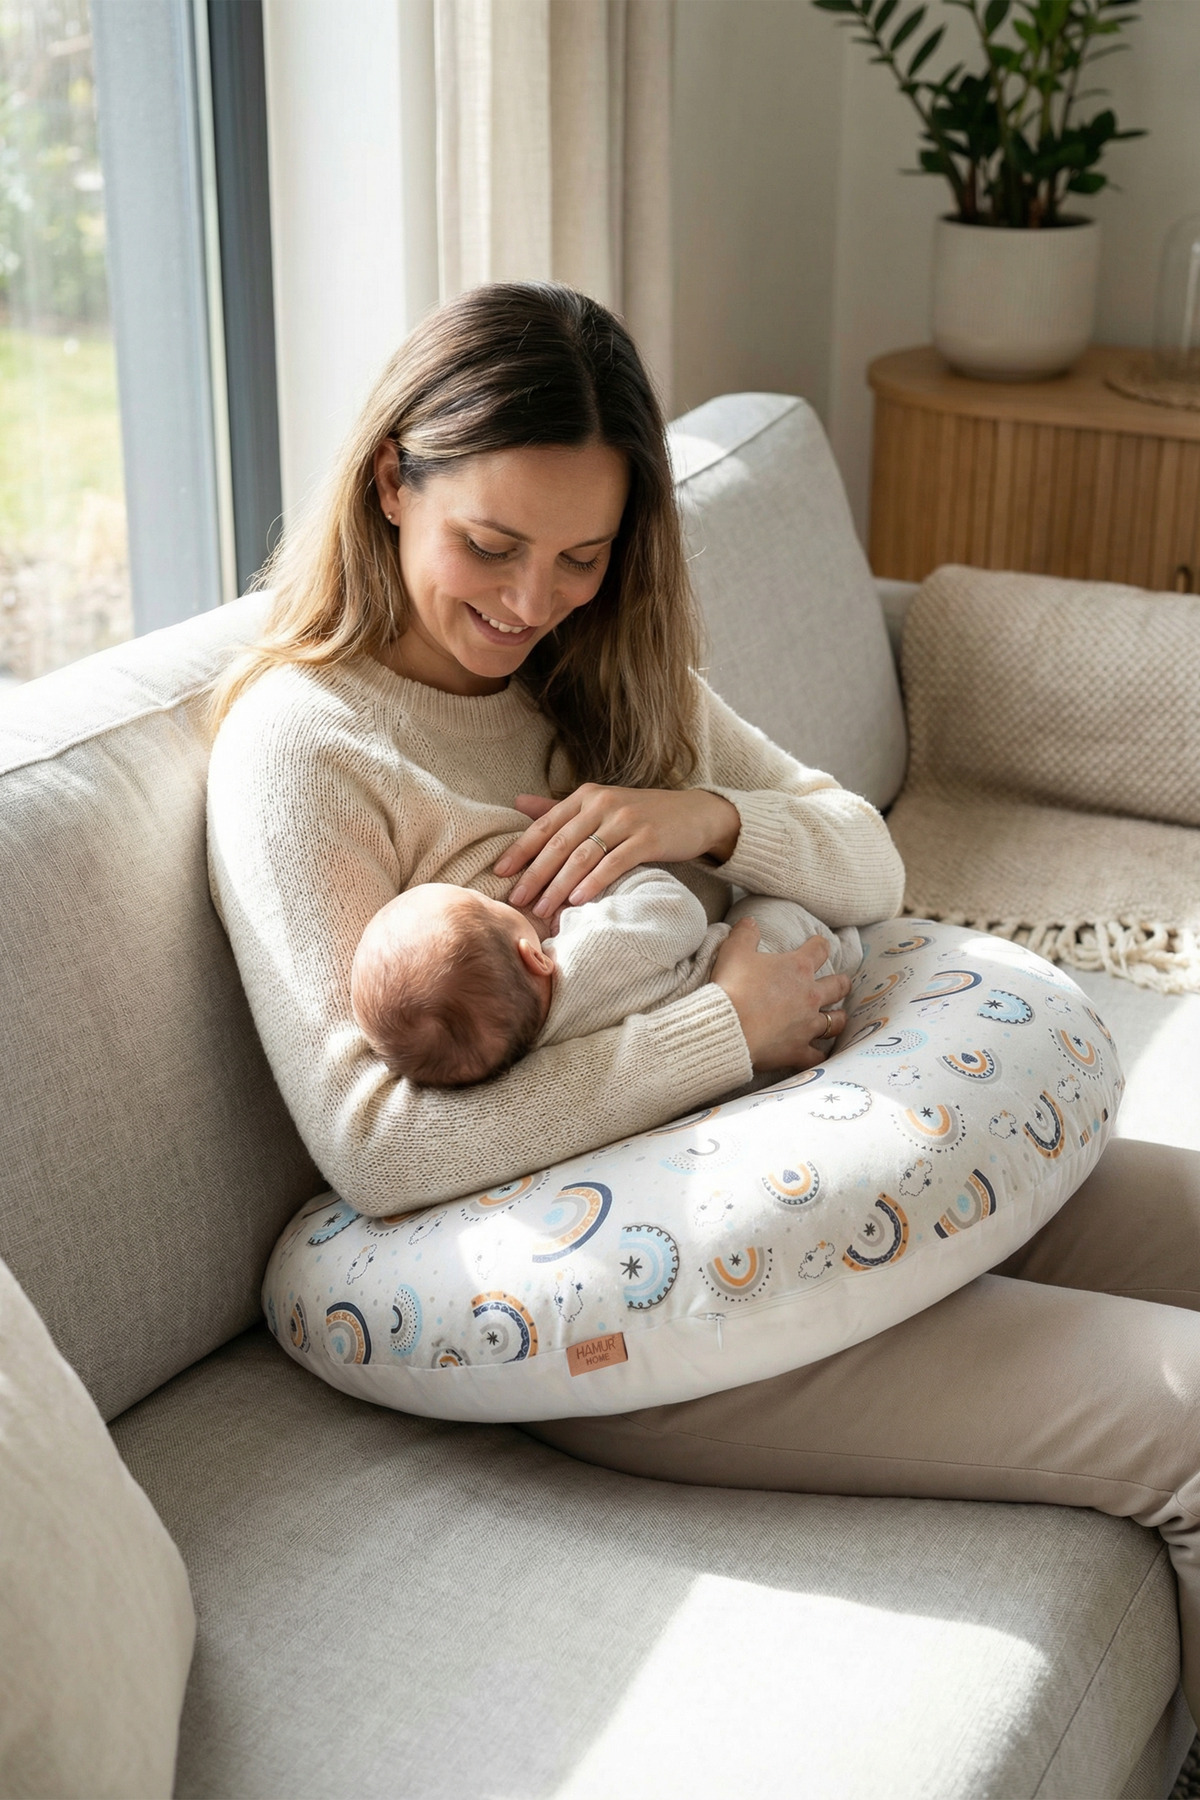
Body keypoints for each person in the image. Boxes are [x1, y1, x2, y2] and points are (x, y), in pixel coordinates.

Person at [207, 281, 1200, 1727]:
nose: (528, 600)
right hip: (658, 1298)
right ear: (389, 483)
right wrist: (721, 1029)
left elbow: (869, 856)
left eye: (580, 557)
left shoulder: (597, 673)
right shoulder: (306, 749)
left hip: (823, 1157)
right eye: (489, 544)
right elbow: (377, 1146)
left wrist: (702, 818)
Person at [349, 866, 862, 1086]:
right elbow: (677, 912)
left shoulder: (539, 1054)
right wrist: (611, 882)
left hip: (732, 1079)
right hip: (777, 982)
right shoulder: (595, 944)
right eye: (490, 903)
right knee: (759, 910)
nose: (500, 899)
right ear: (535, 956)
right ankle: (849, 947)